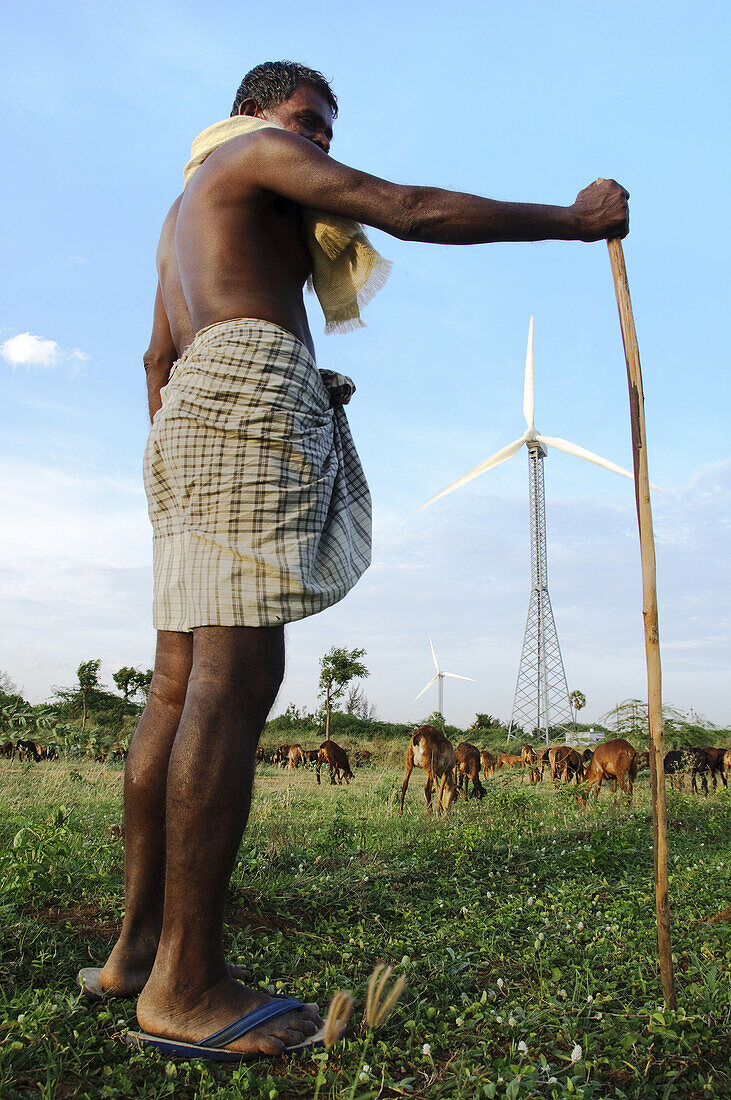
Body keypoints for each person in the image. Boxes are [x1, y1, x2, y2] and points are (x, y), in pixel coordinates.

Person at [92, 61, 628, 1058]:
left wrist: (181, 452)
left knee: (176, 683)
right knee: (235, 673)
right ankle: (185, 982)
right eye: (308, 124)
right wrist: (571, 217)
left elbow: (155, 361)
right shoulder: (254, 156)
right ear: (253, 116)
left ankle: (136, 952)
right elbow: (406, 208)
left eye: (326, 134)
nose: (316, 149)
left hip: (187, 416)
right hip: (240, 400)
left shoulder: (184, 217)